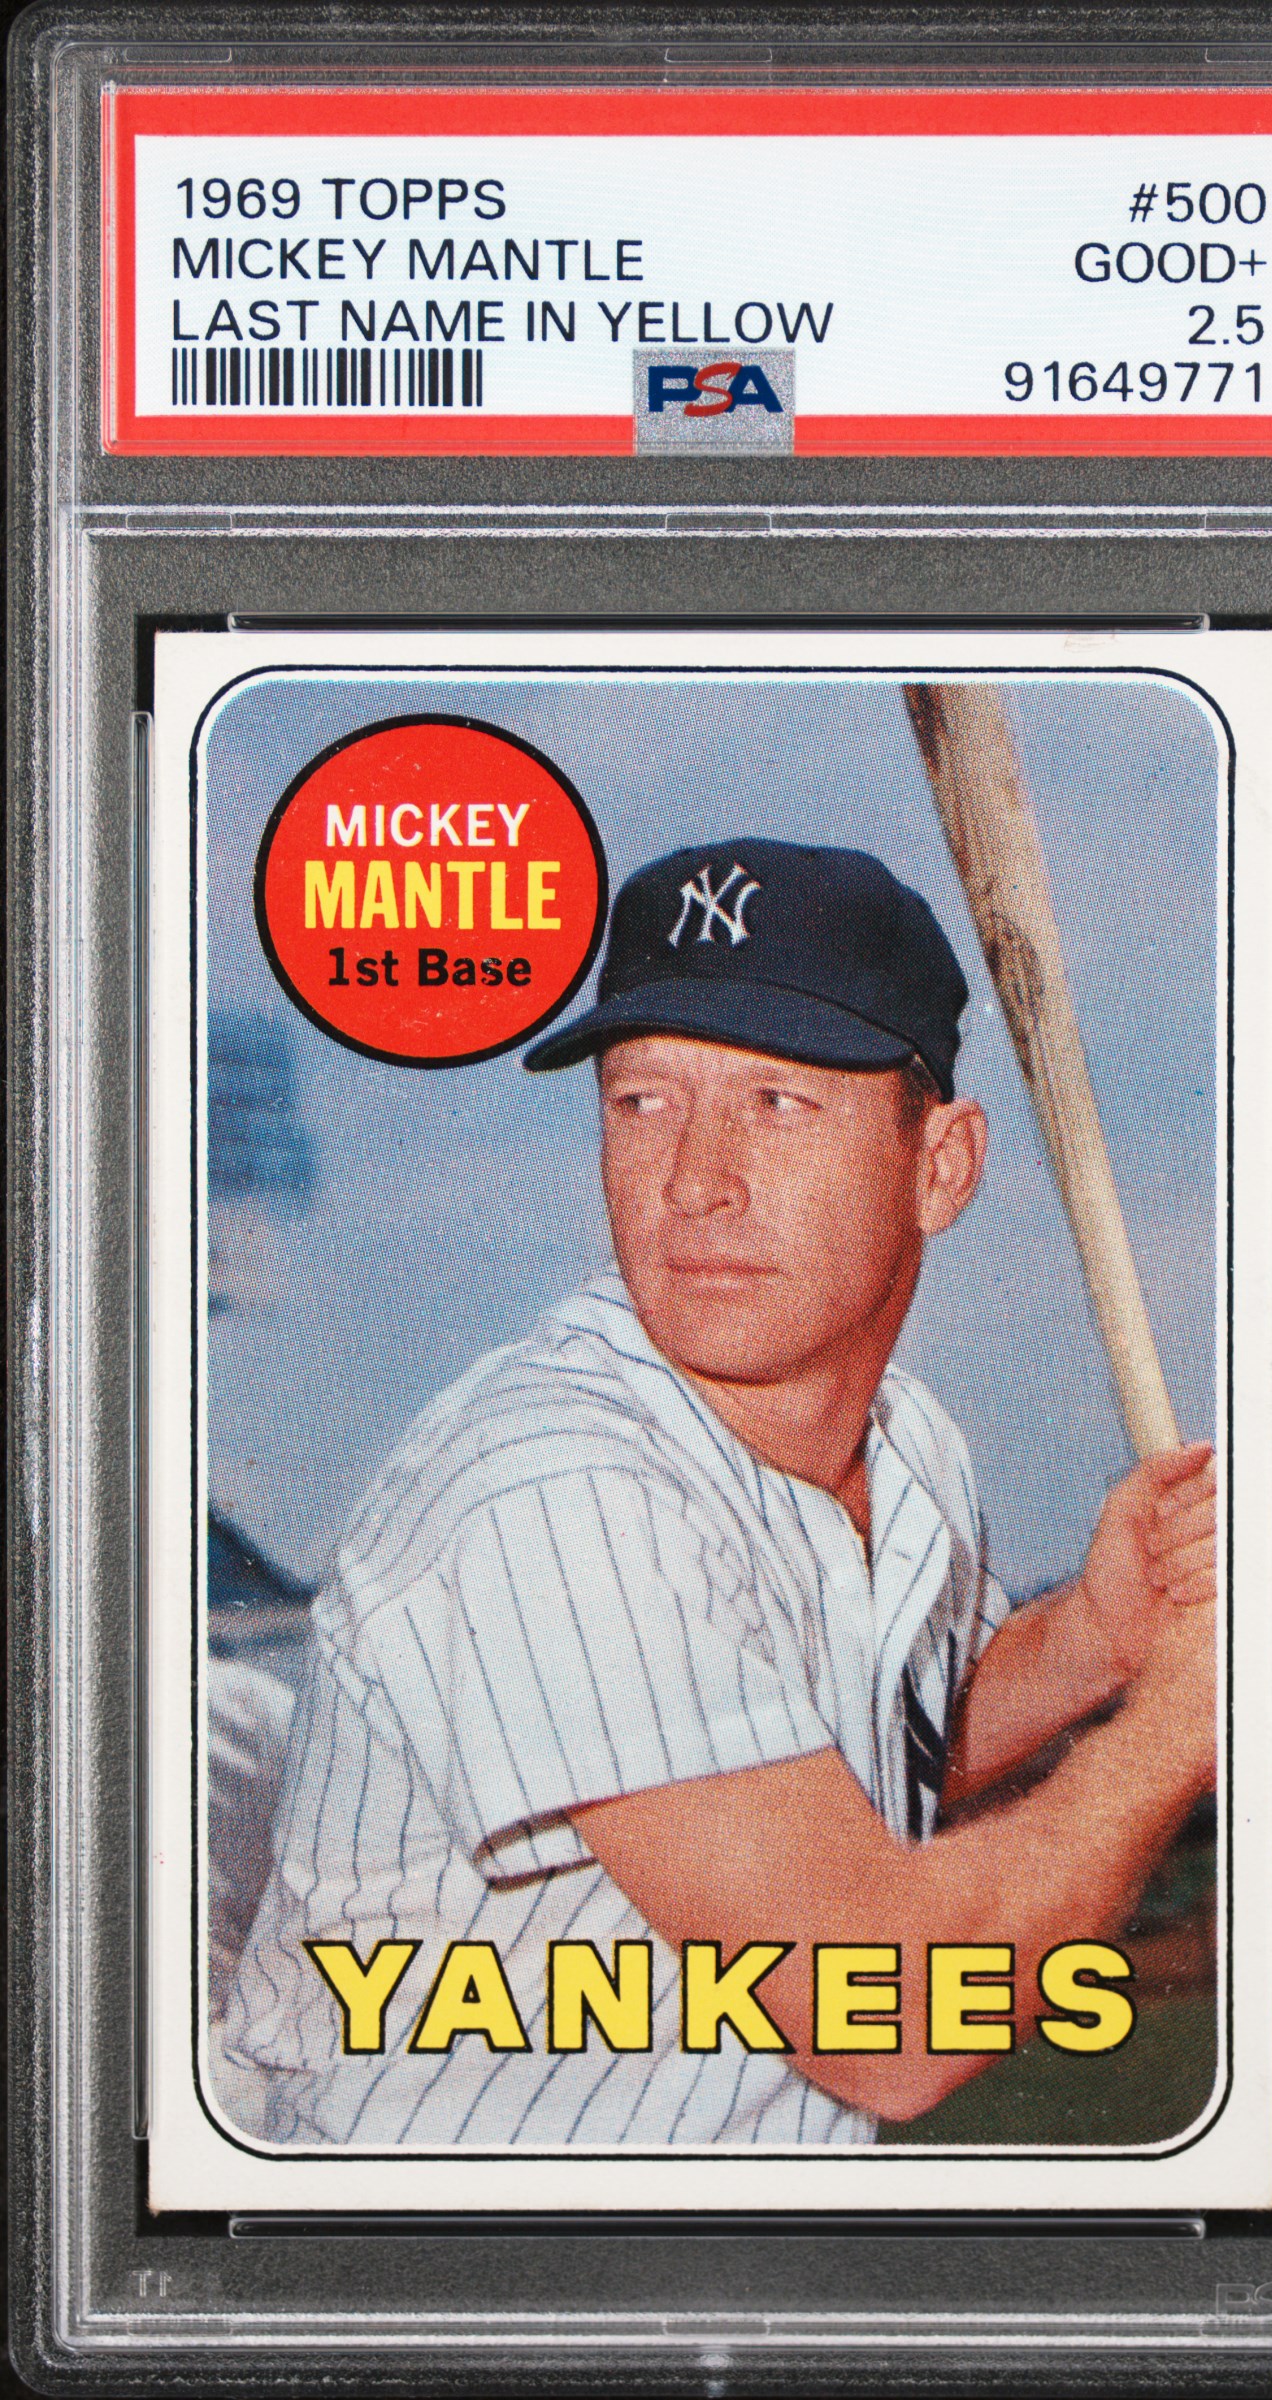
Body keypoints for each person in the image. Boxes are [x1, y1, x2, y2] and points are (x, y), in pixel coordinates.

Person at [217, 838, 1215, 2149]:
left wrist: (1093, 1639)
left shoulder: (908, 1448)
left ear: (941, 1166)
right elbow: (895, 2019)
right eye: (642, 1102)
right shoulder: (549, 1491)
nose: (695, 1179)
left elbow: (861, 1749)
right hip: (433, 2249)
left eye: (777, 1103)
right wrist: (1178, 1724)